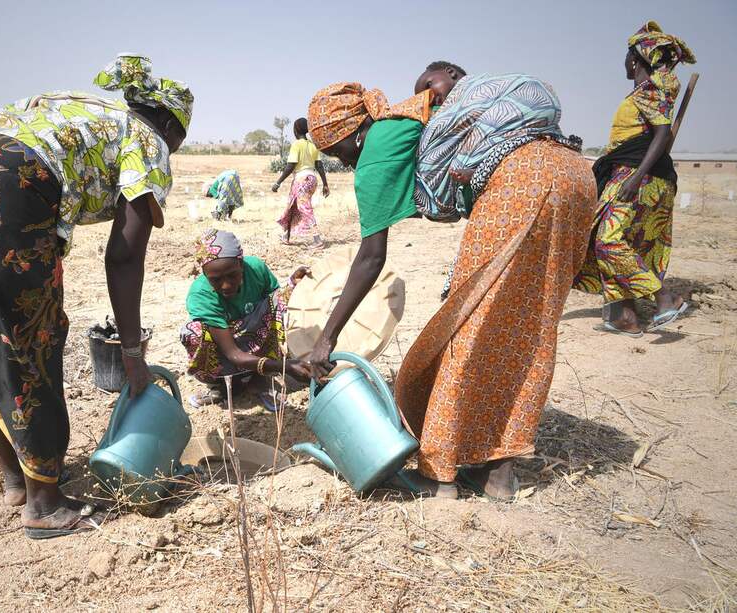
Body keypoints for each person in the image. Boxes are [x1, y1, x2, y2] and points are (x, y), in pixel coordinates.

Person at [0, 54, 192, 538]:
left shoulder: (76, 106)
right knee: (29, 339)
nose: (173, 150)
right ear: (170, 125)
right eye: (178, 140)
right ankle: (45, 506)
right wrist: (133, 353)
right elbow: (123, 257)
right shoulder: (148, 139)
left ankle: (16, 477)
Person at [305, 69, 594, 500]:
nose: (343, 162)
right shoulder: (412, 117)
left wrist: (326, 337)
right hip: (576, 176)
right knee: (529, 327)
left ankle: (439, 475)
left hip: (522, 183)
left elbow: (370, 257)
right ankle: (498, 474)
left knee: (464, 326)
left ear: (350, 133)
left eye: (336, 151)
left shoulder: (377, 147)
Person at [573, 21, 695, 337]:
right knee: (619, 242)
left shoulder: (651, 91)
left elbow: (662, 134)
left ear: (635, 59)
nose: (625, 62)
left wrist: (636, 177)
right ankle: (623, 316)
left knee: (608, 240)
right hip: (632, 173)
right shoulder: (643, 92)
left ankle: (665, 298)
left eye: (627, 56)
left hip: (637, 176)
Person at [180, 229, 311, 410]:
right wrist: (285, 367)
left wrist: (293, 286)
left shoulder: (255, 268)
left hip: (256, 333)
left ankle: (259, 379)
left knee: (281, 300)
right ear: (204, 273)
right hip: (226, 348)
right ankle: (226, 384)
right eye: (216, 280)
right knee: (193, 333)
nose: (226, 285)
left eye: (232, 275)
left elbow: (276, 304)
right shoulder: (200, 295)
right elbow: (233, 354)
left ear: (241, 264)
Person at [273, 118, 331, 247]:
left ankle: (317, 240)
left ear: (296, 130)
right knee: (292, 206)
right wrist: (325, 184)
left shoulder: (297, 145)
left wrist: (278, 182)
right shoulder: (312, 145)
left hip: (302, 180)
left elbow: (291, 166)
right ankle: (286, 236)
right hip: (312, 179)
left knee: (304, 208)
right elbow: (319, 165)